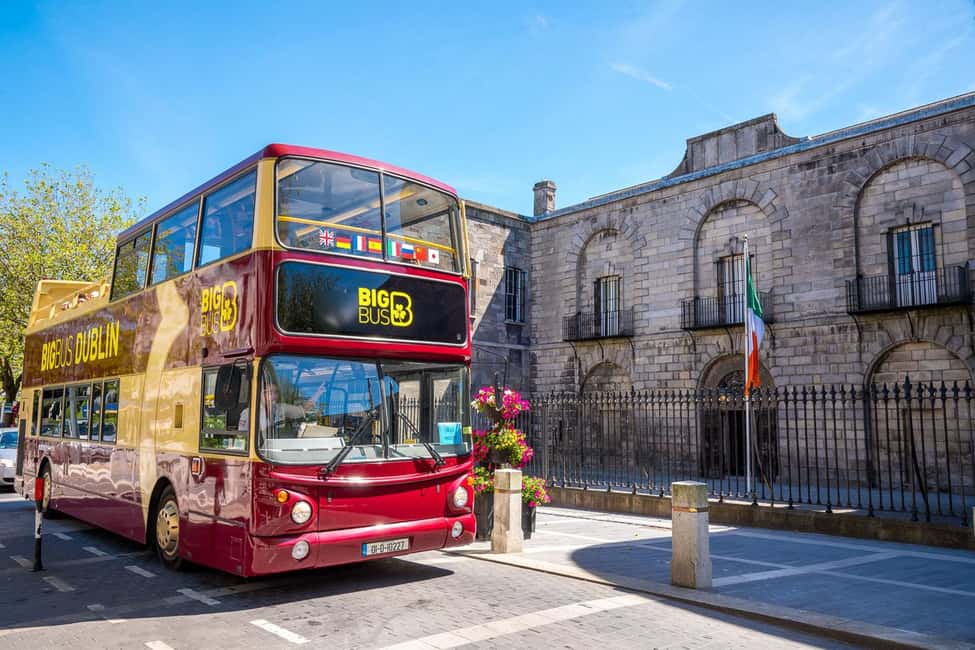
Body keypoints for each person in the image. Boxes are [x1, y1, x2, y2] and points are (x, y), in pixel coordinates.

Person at [238, 383, 305, 434]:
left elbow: (301, 411)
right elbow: (241, 435)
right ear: (260, 394)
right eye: (269, 392)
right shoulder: (248, 412)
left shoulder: (282, 408)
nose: (274, 396)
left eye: (276, 392)